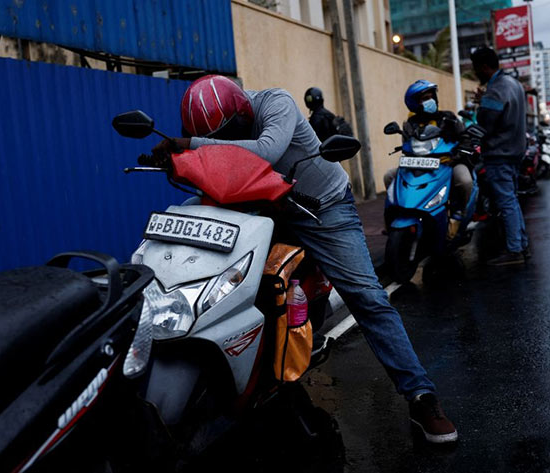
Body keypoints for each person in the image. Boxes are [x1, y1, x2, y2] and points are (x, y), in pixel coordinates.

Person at [152, 75, 458, 444]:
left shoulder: (275, 103)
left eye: (229, 133)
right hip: (260, 205)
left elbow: (265, 151)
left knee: (367, 297)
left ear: (243, 111)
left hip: (321, 207)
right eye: (212, 137)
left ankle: (421, 395)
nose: (224, 141)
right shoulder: (219, 127)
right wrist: (173, 158)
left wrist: (190, 145)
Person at [384, 80, 473, 240]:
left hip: (448, 163)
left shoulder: (449, 118)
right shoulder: (410, 124)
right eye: (425, 98)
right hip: (419, 166)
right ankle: (397, 215)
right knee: (389, 176)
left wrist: (456, 157)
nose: (430, 101)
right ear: (415, 103)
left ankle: (459, 212)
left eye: (431, 97)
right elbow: (407, 145)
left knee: (464, 180)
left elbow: (464, 137)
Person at [470, 46, 529, 265]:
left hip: (499, 152)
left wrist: (480, 103)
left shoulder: (496, 89)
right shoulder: (513, 83)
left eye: (476, 68)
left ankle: (514, 250)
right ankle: (521, 244)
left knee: (506, 201)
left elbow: (486, 121)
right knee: (511, 199)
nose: (475, 72)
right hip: (514, 151)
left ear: (484, 67)